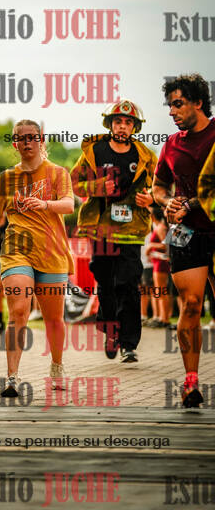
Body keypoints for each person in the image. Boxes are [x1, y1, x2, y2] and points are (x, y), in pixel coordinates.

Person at [0, 119, 74, 397]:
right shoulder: (5, 179)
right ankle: (12, 377)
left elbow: (69, 205)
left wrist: (45, 204)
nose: (27, 142)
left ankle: (57, 366)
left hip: (52, 253)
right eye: (21, 138)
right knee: (18, 311)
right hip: (16, 251)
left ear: (41, 140)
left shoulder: (58, 173)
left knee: (54, 319)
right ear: (15, 144)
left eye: (32, 137)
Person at [71, 100, 156, 363]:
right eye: (118, 121)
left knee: (128, 283)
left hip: (131, 229)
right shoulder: (94, 150)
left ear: (135, 127)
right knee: (106, 281)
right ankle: (110, 331)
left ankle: (129, 344)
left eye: (128, 122)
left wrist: (151, 198)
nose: (122, 126)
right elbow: (74, 184)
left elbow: (161, 186)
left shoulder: (145, 155)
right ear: (110, 124)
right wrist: (98, 187)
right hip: (101, 230)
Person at [153, 73, 215, 408]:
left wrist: (191, 203)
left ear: (199, 102)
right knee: (190, 305)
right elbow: (159, 186)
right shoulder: (171, 144)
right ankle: (191, 383)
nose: (172, 111)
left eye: (178, 104)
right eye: (170, 105)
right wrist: (167, 203)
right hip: (186, 235)